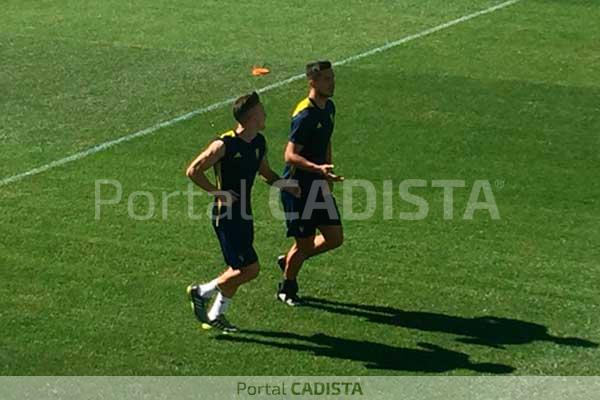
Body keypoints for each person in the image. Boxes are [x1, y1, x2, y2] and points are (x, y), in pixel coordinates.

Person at [186, 92, 300, 332]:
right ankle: (201, 291)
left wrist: (286, 186)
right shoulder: (224, 144)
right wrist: (218, 193)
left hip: (245, 214)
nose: (265, 114)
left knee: (237, 269)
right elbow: (193, 170)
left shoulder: (259, 142)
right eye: (261, 111)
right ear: (250, 117)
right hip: (226, 216)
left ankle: (216, 314)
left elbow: (266, 173)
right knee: (250, 269)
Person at [277, 61, 344, 306]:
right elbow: (290, 155)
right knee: (304, 244)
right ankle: (287, 287)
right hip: (298, 188)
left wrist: (327, 172)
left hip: (318, 185)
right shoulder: (305, 115)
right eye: (326, 79)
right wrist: (318, 169)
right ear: (312, 82)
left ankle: (290, 260)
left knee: (334, 237)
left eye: (332, 77)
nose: (332, 82)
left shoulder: (329, 108)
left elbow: (326, 141)